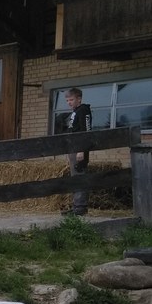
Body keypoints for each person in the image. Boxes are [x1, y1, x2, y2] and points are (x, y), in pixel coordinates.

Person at [63, 87, 92, 216]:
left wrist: (82, 150)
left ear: (79, 99)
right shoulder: (74, 112)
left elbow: (86, 131)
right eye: (67, 100)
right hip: (73, 148)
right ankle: (76, 206)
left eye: (71, 99)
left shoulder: (84, 110)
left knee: (80, 176)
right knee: (75, 176)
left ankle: (80, 207)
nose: (69, 102)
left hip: (80, 150)